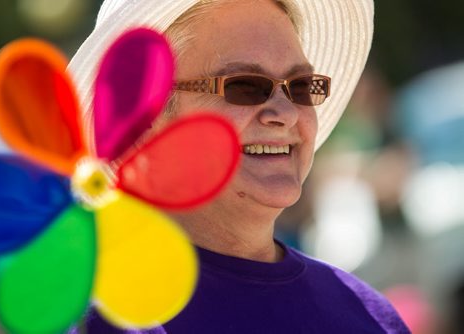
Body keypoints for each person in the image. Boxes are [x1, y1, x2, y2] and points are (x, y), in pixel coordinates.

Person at [68, 0, 410, 333]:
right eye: (244, 86)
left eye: (301, 86)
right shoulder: (96, 318)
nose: (286, 113)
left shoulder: (368, 313)